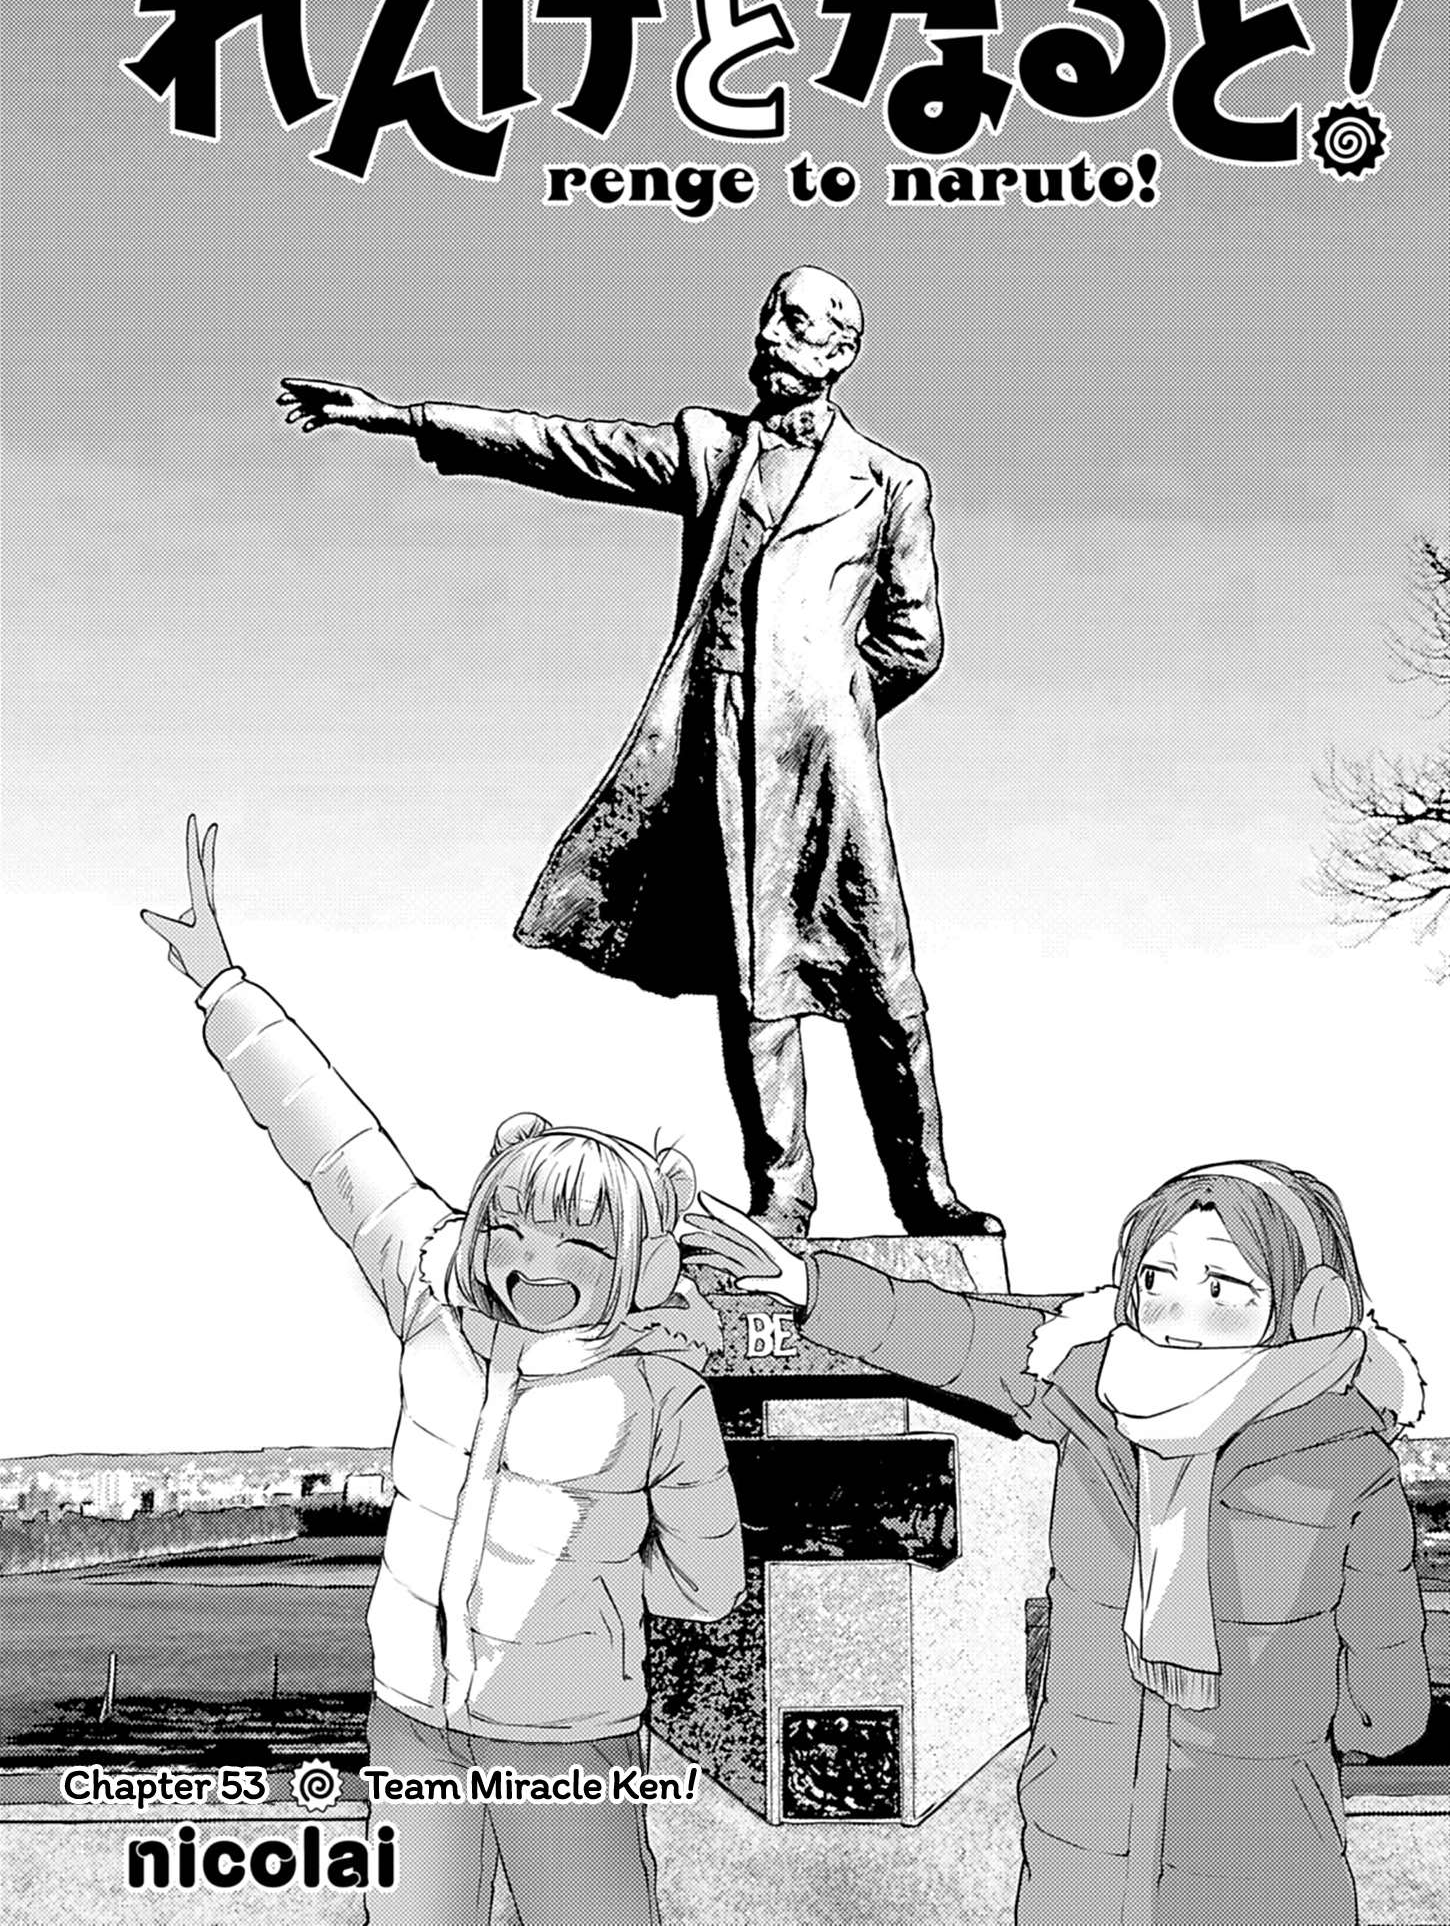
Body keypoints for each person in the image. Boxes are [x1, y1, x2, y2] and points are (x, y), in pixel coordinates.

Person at [276, 267, 1002, 1243]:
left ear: (838, 353)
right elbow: (565, 447)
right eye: (767, 315)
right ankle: (783, 1199)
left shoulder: (890, 482)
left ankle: (925, 1191)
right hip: (722, 758)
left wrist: (827, 701)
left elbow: (914, 639)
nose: (768, 335)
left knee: (882, 980)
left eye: (793, 322)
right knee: (756, 982)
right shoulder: (710, 450)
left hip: (829, 768)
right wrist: (401, 419)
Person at [142, 818, 744, 1926]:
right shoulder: (431, 1294)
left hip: (567, 1738)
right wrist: (225, 987)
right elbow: (334, 1141)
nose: (533, 1261)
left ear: (638, 1259)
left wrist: (585, 1596)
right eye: (512, 1225)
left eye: (580, 1242)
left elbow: (708, 1582)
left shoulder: (660, 1388)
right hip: (413, 1718)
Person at [682, 1160, 1431, 1926]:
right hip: (1106, 1842)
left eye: (1220, 1288)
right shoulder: (1088, 1385)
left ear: (1314, 1305)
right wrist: (807, 1284)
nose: (1174, 1313)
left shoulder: (1337, 1460)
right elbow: (951, 1332)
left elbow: (1388, 1706)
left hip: (1237, 1858)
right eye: (1155, 1279)